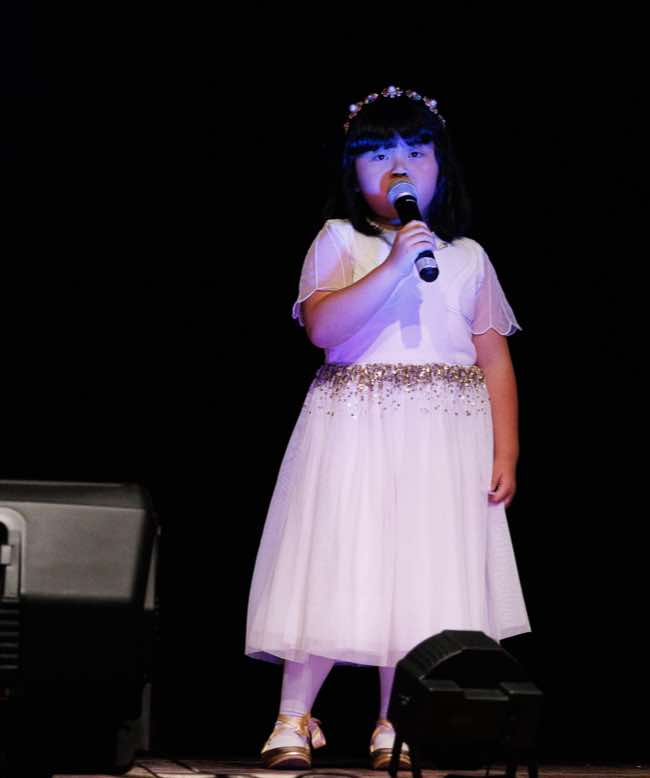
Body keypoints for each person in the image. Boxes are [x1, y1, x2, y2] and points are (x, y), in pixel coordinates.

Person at [245, 85, 530, 769]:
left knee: (421, 574)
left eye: (415, 151)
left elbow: (494, 357)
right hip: (356, 428)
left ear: (441, 165)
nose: (399, 167)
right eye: (378, 155)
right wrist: (397, 263)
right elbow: (323, 327)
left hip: (445, 438)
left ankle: (392, 722)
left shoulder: (468, 256)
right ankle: (293, 716)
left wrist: (507, 449)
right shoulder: (341, 239)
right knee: (336, 560)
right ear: (354, 170)